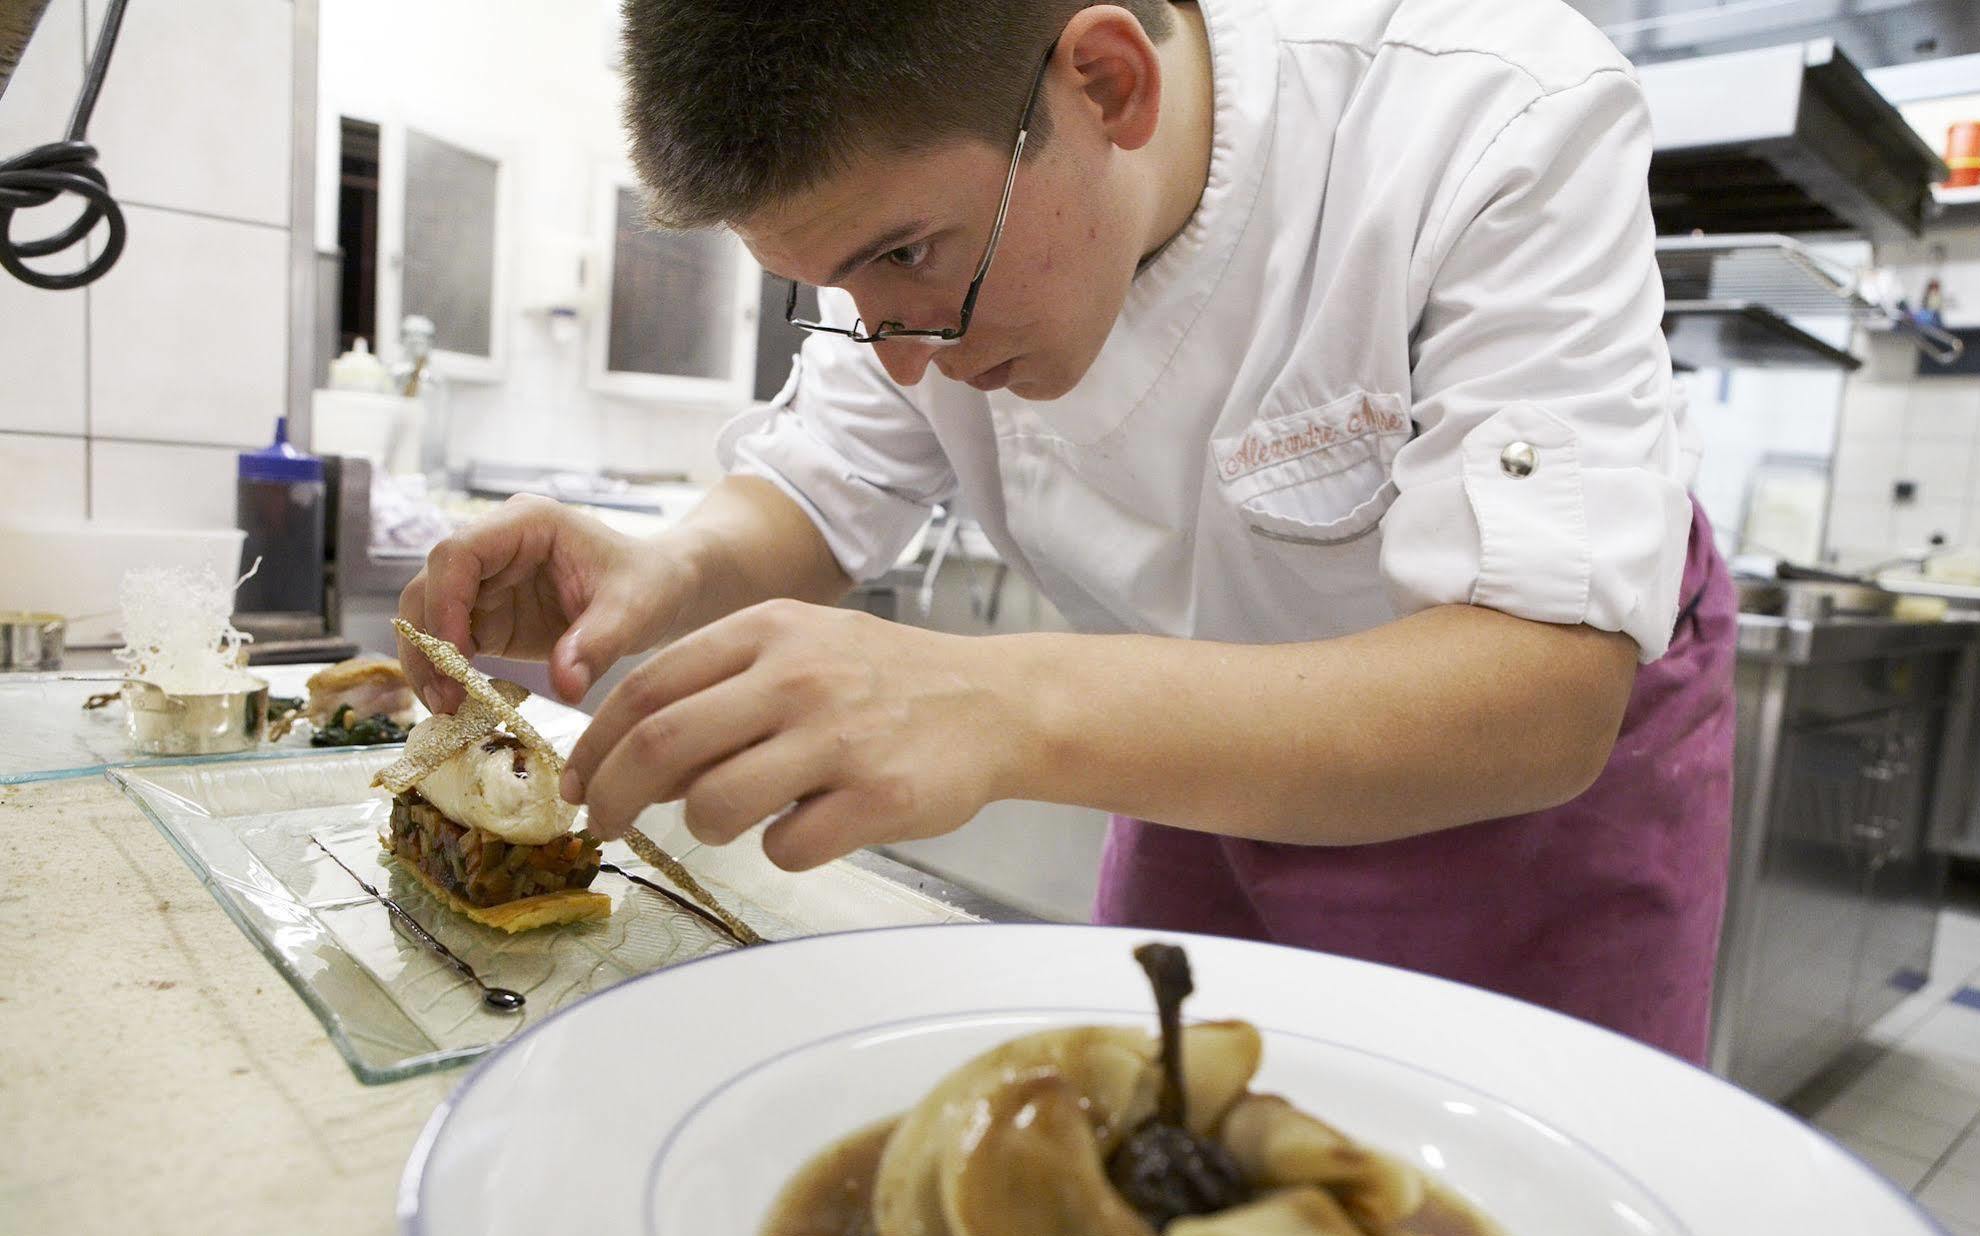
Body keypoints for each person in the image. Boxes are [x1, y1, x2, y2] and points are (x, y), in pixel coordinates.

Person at [399, 0, 1736, 1061]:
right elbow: (819, 485)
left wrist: (1001, 699)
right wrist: (656, 569)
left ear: (1105, 84)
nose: (899, 353)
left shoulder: (1486, 107)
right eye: (835, 288)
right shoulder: (918, 248)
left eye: (909, 257)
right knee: (1159, 1158)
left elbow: (1543, 700)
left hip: (1514, 814)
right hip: (1198, 757)